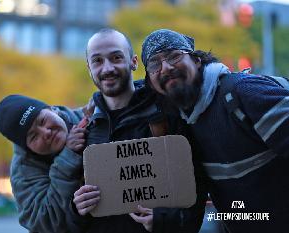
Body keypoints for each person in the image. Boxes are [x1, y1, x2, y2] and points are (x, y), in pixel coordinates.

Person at [142, 29, 289, 233]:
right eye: (154, 64)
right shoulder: (184, 124)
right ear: (151, 83)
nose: (165, 68)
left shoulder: (244, 92)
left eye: (174, 56)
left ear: (197, 60)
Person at [72, 28, 206, 233]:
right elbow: (74, 215)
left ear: (134, 62)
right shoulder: (85, 129)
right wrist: (77, 208)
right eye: (97, 61)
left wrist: (163, 222)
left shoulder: (167, 116)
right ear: (89, 67)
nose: (107, 68)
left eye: (116, 57)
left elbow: (195, 198)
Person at [0, 94, 89, 233]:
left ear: (53, 109)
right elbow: (45, 223)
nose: (46, 133)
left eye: (42, 120)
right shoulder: (23, 172)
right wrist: (67, 158)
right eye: (34, 136)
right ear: (27, 148)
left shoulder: (92, 117)